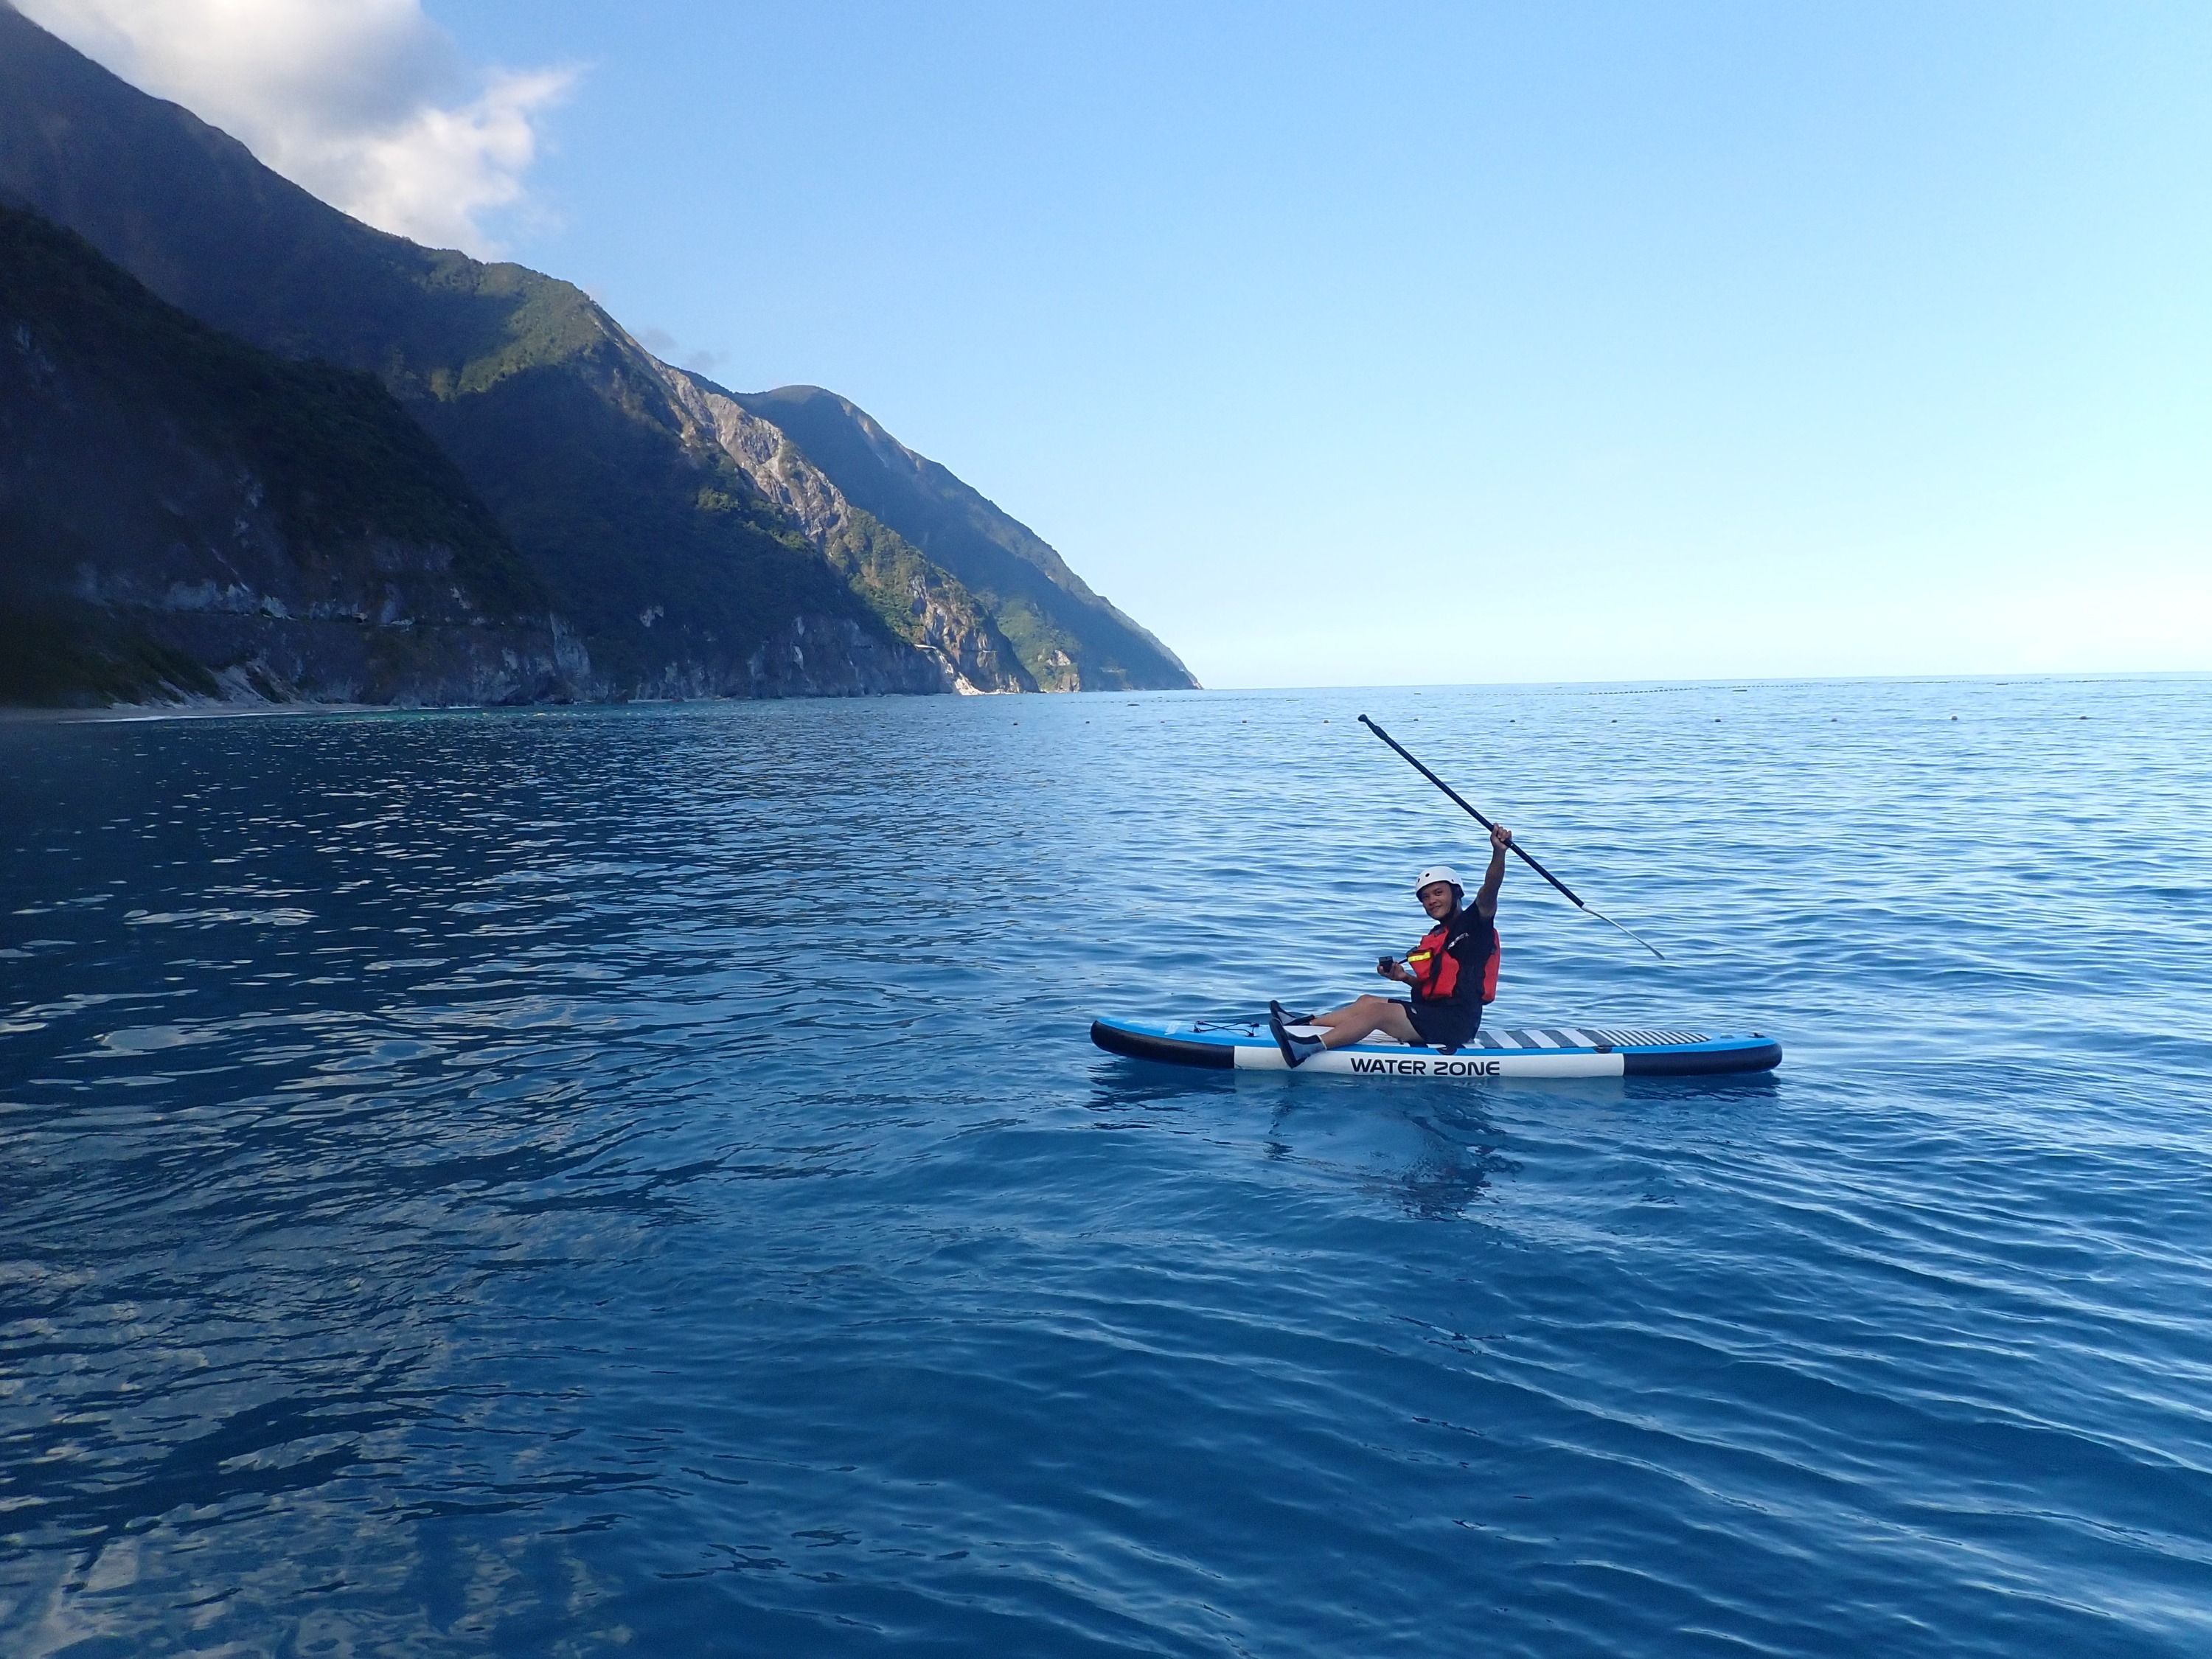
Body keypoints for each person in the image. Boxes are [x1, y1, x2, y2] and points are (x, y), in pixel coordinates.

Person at [1269, 822, 1512, 1067]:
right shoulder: (1438, 934)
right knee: (1367, 1002)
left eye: (1438, 893)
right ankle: (1302, 1024)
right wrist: (1403, 977)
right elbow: (1435, 986)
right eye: (1425, 898)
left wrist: (1498, 852)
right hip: (1433, 1013)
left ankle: (1308, 1047)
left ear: (1456, 893)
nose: (1431, 901)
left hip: (1456, 1023)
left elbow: (1490, 890)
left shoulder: (1475, 925)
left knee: (1378, 1014)